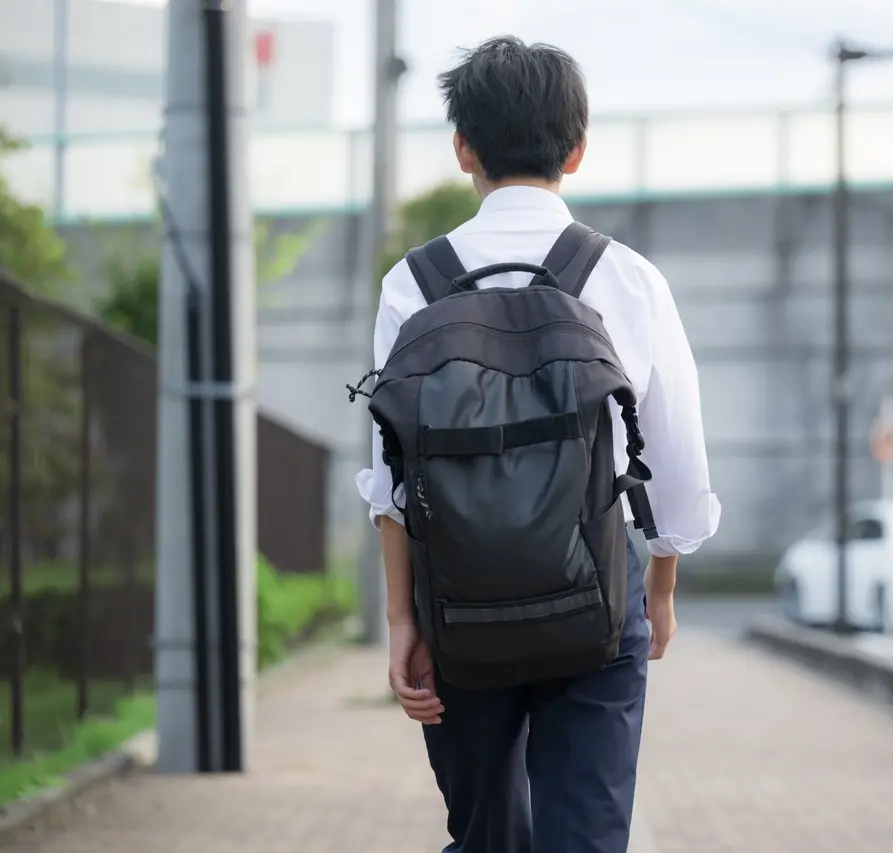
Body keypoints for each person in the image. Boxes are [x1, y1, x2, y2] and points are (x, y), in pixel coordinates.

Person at [355, 35, 720, 853]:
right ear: (577, 150)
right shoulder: (627, 277)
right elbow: (677, 462)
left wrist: (401, 619)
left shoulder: (414, 282)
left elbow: (392, 475)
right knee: (584, 837)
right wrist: (659, 588)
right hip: (596, 597)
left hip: (458, 606)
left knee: (487, 835)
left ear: (463, 149)